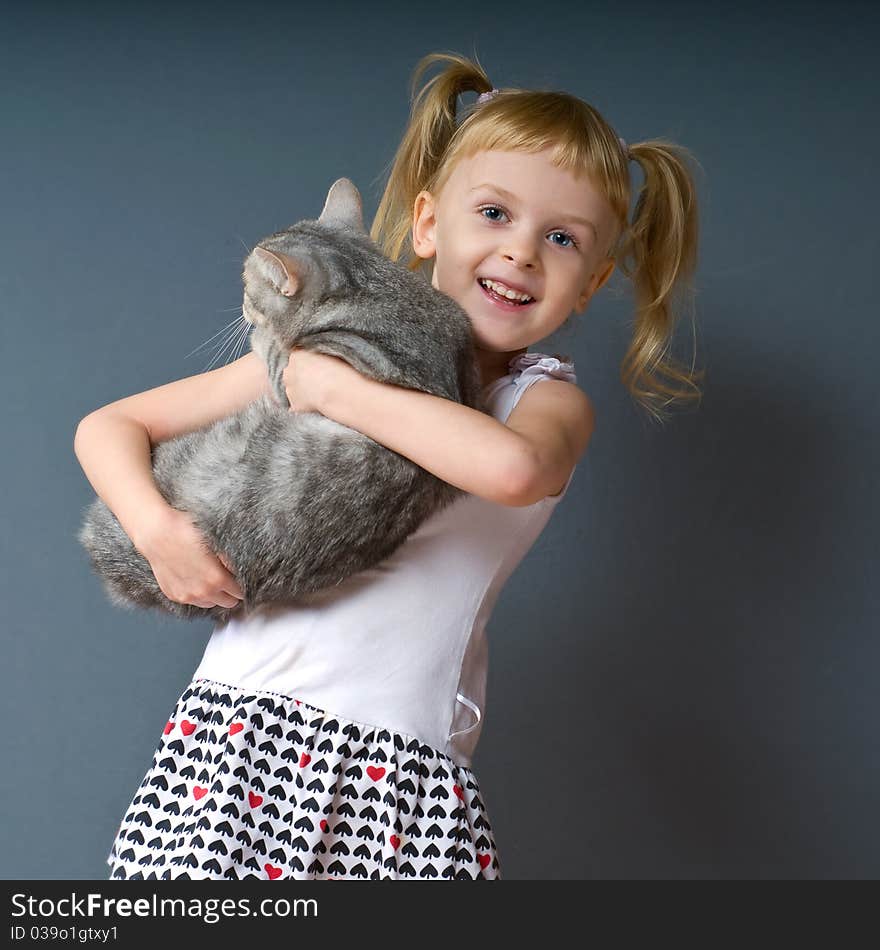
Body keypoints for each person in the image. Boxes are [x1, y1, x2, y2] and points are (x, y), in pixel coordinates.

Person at [73, 51, 702, 881]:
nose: (521, 254)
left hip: (391, 773)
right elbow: (110, 426)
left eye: (561, 238)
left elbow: (511, 472)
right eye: (494, 213)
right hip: (232, 743)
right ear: (429, 222)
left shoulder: (542, 402)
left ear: (591, 282)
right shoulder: (330, 346)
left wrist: (325, 386)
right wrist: (157, 531)